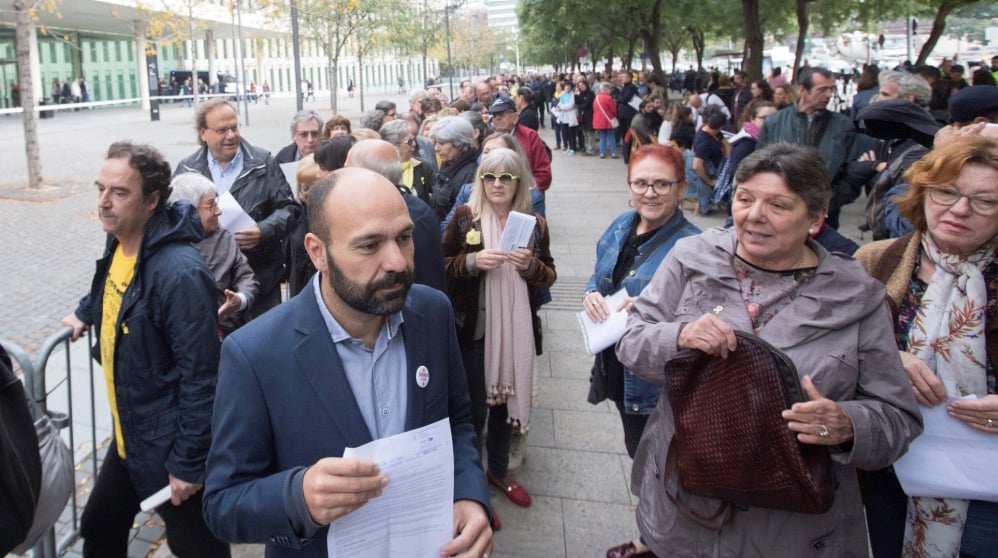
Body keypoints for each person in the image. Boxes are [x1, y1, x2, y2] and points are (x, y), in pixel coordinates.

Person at [615, 143, 922, 558]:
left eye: (778, 205)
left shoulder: (857, 296)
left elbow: (898, 417)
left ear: (815, 219)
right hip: (685, 504)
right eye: (744, 199)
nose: (754, 215)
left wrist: (847, 423)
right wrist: (680, 336)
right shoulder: (692, 258)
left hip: (792, 527)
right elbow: (632, 341)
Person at [202, 168, 493, 557]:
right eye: (369, 245)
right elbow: (223, 505)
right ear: (317, 252)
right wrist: (297, 498)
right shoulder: (254, 354)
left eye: (404, 238)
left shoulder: (432, 312)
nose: (397, 261)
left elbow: (456, 423)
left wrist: (469, 495)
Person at [61, 142, 230, 558]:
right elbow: (110, 285)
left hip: (169, 443)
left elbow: (203, 376)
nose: (104, 202)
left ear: (152, 200)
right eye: (100, 188)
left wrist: (188, 463)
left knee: (197, 546)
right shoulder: (120, 241)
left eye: (119, 193)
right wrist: (84, 312)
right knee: (99, 527)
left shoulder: (180, 273)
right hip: (130, 435)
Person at [855, 136, 998, 558]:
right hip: (892, 467)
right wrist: (884, 359)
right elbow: (834, 348)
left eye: (984, 201)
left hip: (987, 479)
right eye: (947, 192)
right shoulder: (875, 260)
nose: (959, 209)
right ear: (923, 192)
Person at [585, 144, 700, 558]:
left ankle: (658, 541)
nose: (649, 193)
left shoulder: (693, 247)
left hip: (654, 384)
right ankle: (654, 535)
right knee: (643, 459)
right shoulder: (622, 225)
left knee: (662, 465)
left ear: (681, 188)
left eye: (661, 184)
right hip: (616, 365)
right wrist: (590, 296)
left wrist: (656, 310)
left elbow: (702, 321)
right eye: (641, 183)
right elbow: (597, 278)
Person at [441, 148, 557, 520]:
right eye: (489, 177)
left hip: (517, 332)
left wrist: (530, 266)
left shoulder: (533, 224)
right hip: (475, 333)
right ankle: (471, 488)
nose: (496, 185)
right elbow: (442, 265)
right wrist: (474, 262)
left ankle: (500, 471)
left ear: (518, 182)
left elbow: (549, 275)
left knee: (506, 409)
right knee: (474, 412)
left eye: (505, 177)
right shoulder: (465, 218)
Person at [175, 98, 298, 318]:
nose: (231, 135)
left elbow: (289, 209)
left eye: (234, 127)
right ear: (203, 133)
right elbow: (175, 219)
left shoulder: (263, 162)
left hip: (261, 279)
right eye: (222, 130)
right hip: (208, 282)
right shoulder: (187, 170)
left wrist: (263, 230)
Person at [757, 67, 864, 229]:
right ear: (802, 89)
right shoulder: (775, 122)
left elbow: (854, 171)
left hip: (824, 216)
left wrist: (831, 201)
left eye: (831, 89)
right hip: (778, 213)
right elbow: (759, 165)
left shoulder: (843, 126)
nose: (829, 94)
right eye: (822, 89)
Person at [344, 139, 448, 293]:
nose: (343, 177)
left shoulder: (410, 218)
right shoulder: (405, 207)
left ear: (368, 176)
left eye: (348, 170)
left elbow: (424, 283)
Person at [168, 173, 258, 336]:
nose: (219, 211)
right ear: (188, 210)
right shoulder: (166, 246)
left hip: (226, 330)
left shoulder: (223, 237)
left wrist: (240, 299)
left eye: (216, 203)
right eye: (211, 205)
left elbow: (245, 276)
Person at [487, 96, 552, 194]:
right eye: (494, 115)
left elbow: (543, 173)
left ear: (515, 117)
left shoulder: (530, 136)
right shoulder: (489, 139)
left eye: (502, 114)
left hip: (527, 196)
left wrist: (528, 191)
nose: (497, 118)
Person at [429, 116, 479, 223]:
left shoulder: (470, 174)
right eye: (435, 142)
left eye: (442, 143)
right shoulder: (447, 165)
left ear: (459, 143)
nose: (436, 148)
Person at [379, 119, 436, 204]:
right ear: (394, 146)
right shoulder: (379, 168)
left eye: (413, 139)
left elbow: (437, 195)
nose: (414, 144)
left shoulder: (422, 166)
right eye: (409, 142)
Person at [593, 82, 619, 159]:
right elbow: (613, 109)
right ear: (606, 89)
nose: (610, 91)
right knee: (611, 136)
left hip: (599, 120)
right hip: (608, 119)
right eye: (609, 89)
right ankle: (613, 152)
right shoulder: (609, 98)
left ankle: (602, 153)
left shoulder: (596, 98)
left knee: (602, 136)